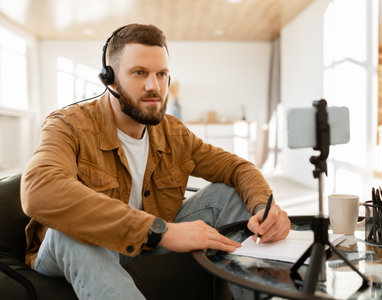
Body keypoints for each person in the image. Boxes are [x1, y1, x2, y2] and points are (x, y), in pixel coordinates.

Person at [20, 23, 291, 299]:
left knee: (229, 193)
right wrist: (156, 231)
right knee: (71, 231)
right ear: (109, 79)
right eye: (139, 73)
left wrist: (264, 208)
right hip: (80, 245)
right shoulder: (68, 124)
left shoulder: (173, 133)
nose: (155, 86)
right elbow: (39, 189)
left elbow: (237, 167)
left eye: (162, 74)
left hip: (144, 244)